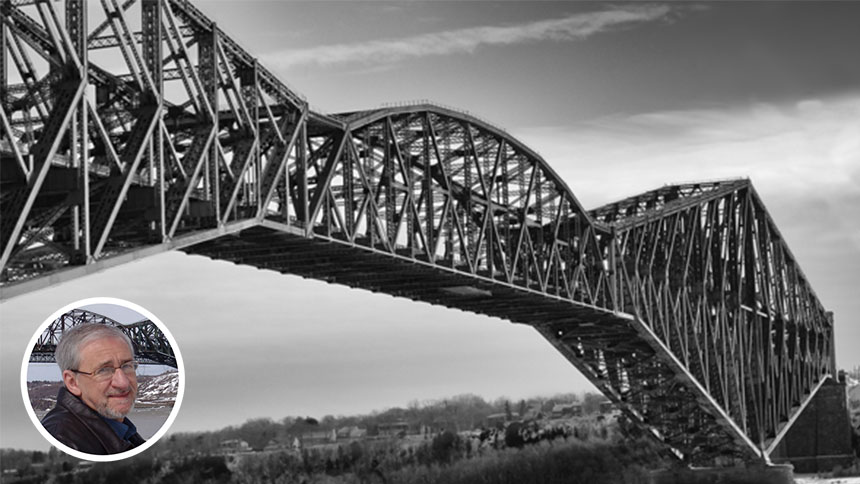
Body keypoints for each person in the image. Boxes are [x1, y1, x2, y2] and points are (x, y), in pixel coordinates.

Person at [41, 323, 145, 454]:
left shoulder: (123, 432)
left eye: (127, 366)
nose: (123, 383)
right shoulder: (61, 442)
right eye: (104, 370)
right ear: (73, 382)